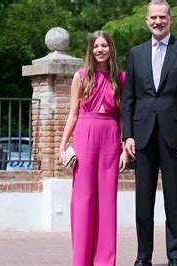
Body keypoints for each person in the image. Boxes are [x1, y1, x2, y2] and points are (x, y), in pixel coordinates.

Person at [122, 0, 177, 265]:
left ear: (171, 19)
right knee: (143, 202)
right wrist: (127, 136)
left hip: (175, 136)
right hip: (142, 136)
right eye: (153, 17)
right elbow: (129, 98)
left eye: (162, 17)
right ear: (146, 20)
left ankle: (174, 257)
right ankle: (143, 257)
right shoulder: (135, 53)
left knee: (174, 201)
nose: (158, 21)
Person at [58, 30, 128, 266]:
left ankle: (105, 261)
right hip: (85, 135)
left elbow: (122, 117)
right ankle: (81, 260)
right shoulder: (80, 76)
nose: (100, 50)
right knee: (84, 197)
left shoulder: (120, 77)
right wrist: (63, 145)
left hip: (110, 136)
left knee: (107, 200)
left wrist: (123, 149)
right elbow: (73, 114)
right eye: (96, 46)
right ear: (91, 49)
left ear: (111, 49)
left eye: (104, 45)